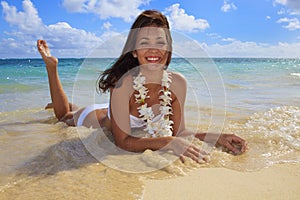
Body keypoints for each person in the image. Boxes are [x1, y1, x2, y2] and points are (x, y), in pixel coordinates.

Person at [37, 10, 247, 163]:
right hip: (96, 119)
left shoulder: (178, 83)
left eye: (160, 42)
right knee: (64, 116)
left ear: (169, 48)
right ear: (135, 51)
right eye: (145, 42)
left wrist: (217, 137)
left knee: (71, 109)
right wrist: (167, 142)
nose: (153, 49)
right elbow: (122, 142)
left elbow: (180, 131)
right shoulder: (122, 85)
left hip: (113, 110)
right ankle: (52, 68)